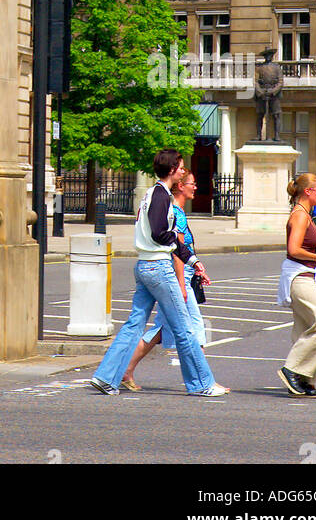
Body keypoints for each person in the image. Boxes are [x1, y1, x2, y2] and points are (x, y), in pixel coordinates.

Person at [90, 148, 227, 397]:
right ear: (173, 169)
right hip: (158, 267)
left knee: (134, 324)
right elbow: (159, 233)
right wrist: (175, 238)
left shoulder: (150, 194)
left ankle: (105, 377)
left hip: (144, 264)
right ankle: (202, 384)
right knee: (184, 328)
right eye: (182, 167)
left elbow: (165, 238)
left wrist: (192, 260)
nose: (184, 171)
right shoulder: (162, 196)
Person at [120, 170, 206, 391]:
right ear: (180, 186)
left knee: (161, 328)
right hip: (176, 275)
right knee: (193, 326)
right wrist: (181, 282)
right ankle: (204, 379)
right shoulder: (175, 213)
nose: (195, 187)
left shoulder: (176, 210)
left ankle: (126, 370)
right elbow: (175, 251)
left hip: (177, 274)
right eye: (192, 183)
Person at [276, 173, 316, 396]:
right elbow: (293, 249)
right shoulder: (300, 215)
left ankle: (304, 380)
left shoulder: (306, 214)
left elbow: (305, 247)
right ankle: (292, 369)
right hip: (299, 277)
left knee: (304, 329)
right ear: (308, 192)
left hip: (306, 274)